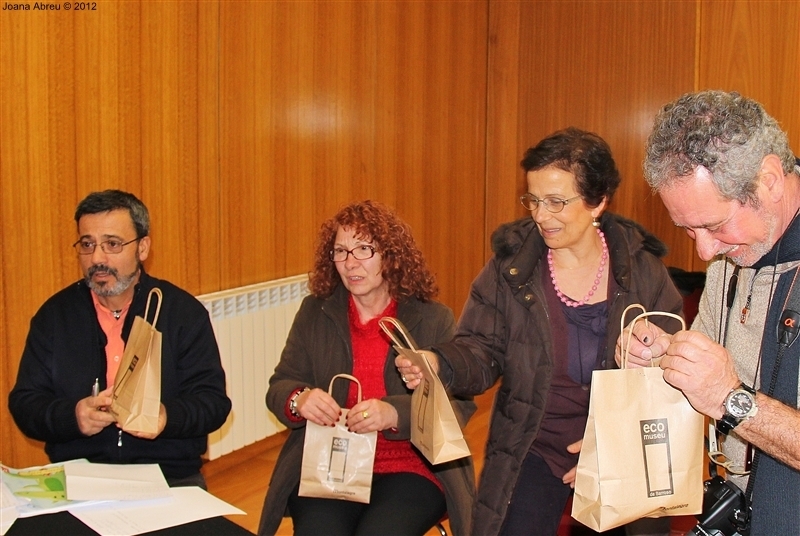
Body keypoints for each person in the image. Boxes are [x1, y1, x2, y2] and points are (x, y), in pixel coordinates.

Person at [397, 127, 684, 536]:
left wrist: (612, 442)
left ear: (598, 201)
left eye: (556, 202)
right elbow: (480, 348)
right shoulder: (511, 267)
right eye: (533, 200)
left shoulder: (643, 272)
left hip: (621, 446)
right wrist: (440, 362)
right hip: (532, 442)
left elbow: (671, 373)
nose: (540, 215)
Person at [617, 90, 800, 535]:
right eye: (688, 229)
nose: (704, 251)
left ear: (770, 180)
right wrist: (662, 358)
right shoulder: (732, 257)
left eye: (715, 225)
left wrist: (732, 400)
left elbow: (725, 392)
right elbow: (709, 378)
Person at [257, 200, 475, 536]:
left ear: (391, 255)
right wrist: (300, 399)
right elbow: (280, 385)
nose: (350, 263)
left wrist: (394, 413)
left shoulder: (432, 318)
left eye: (364, 249)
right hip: (330, 464)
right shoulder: (315, 312)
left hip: (412, 465)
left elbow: (458, 405)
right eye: (340, 251)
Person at [8, 190, 231, 488]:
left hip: (168, 476)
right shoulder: (55, 316)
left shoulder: (182, 313)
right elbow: (25, 403)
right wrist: (73, 417)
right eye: (87, 244)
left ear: (142, 248)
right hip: (79, 477)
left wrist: (165, 417)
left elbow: (213, 404)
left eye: (112, 244)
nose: (97, 258)